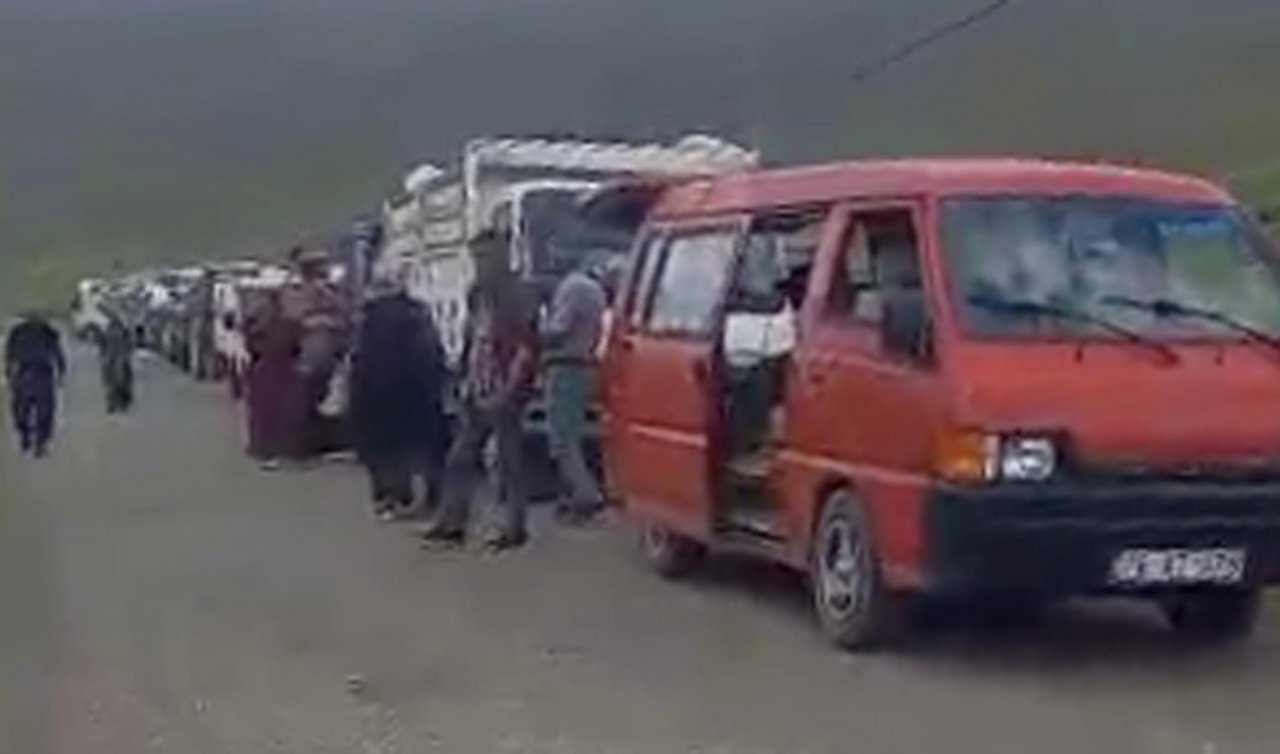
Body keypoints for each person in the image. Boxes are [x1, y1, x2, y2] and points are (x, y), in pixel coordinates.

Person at [422, 229, 539, 551]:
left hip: (504, 387)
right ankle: (452, 522)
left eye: (486, 256)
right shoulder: (477, 293)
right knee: (460, 457)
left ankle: (513, 527)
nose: (481, 263)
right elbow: (472, 338)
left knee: (507, 461)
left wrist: (511, 388)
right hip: (477, 385)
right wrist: (461, 378)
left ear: (502, 255)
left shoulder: (517, 293)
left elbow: (527, 348)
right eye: (477, 257)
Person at [350, 276, 448, 521]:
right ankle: (431, 497)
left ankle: (391, 498)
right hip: (417, 387)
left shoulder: (369, 318)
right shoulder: (417, 313)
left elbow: (359, 358)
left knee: (384, 450)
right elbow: (433, 351)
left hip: (378, 391)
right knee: (423, 446)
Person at [541, 262, 608, 524]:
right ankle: (576, 495)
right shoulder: (595, 289)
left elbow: (560, 329)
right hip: (584, 365)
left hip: (565, 365)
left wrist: (535, 332)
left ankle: (586, 496)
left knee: (562, 440)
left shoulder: (571, 288)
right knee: (571, 435)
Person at [244, 290, 305, 468]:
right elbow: (297, 347)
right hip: (284, 370)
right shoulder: (290, 324)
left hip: (267, 371)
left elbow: (251, 348)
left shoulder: (257, 326)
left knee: (267, 414)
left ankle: (267, 451)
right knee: (285, 413)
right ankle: (285, 451)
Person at [4, 311, 65, 457]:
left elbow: (9, 354)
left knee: (22, 409)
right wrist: (61, 372)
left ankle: (31, 438)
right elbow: (58, 354)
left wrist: (8, 371)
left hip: (28, 372)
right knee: (43, 410)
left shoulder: (18, 332)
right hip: (39, 372)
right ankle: (37, 440)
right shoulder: (47, 332)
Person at [98, 312, 135, 414]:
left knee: (113, 382)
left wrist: (104, 355)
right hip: (116, 358)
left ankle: (114, 403)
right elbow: (130, 345)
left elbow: (102, 346)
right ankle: (118, 403)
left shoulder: (109, 332)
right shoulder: (122, 332)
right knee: (119, 381)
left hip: (114, 358)